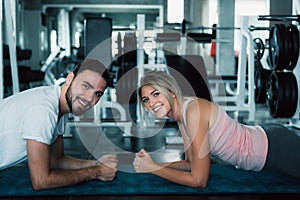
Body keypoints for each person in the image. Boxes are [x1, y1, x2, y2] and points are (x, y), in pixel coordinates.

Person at [133, 70, 300, 188]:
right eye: (146, 99)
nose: (151, 103)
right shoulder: (182, 115)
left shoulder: (194, 112)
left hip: (274, 148)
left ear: (172, 92)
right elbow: (190, 163)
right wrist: (153, 164)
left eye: (156, 94)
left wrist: (153, 169)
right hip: (266, 141)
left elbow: (199, 180)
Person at [0, 59, 118, 190]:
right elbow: (41, 181)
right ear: (70, 78)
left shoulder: (58, 104)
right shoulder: (44, 110)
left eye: (98, 94)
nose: (90, 98)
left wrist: (96, 164)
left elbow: (56, 160)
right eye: (86, 86)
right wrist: (96, 172)